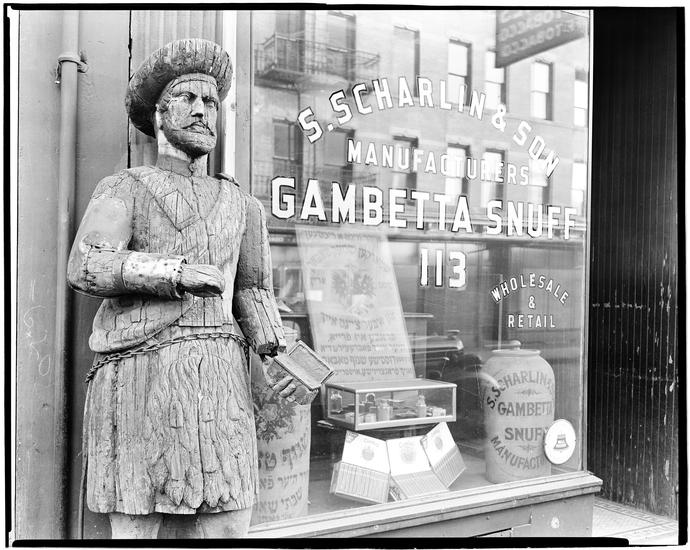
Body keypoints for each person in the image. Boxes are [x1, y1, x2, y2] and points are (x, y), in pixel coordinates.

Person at [67, 38, 299, 539]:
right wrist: (174, 272)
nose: (201, 110)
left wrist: (280, 356)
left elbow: (253, 291)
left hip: (220, 380)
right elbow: (86, 263)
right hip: (141, 375)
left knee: (229, 523)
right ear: (158, 113)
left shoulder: (242, 205)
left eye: (210, 101)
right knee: (137, 518)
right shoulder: (126, 187)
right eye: (187, 98)